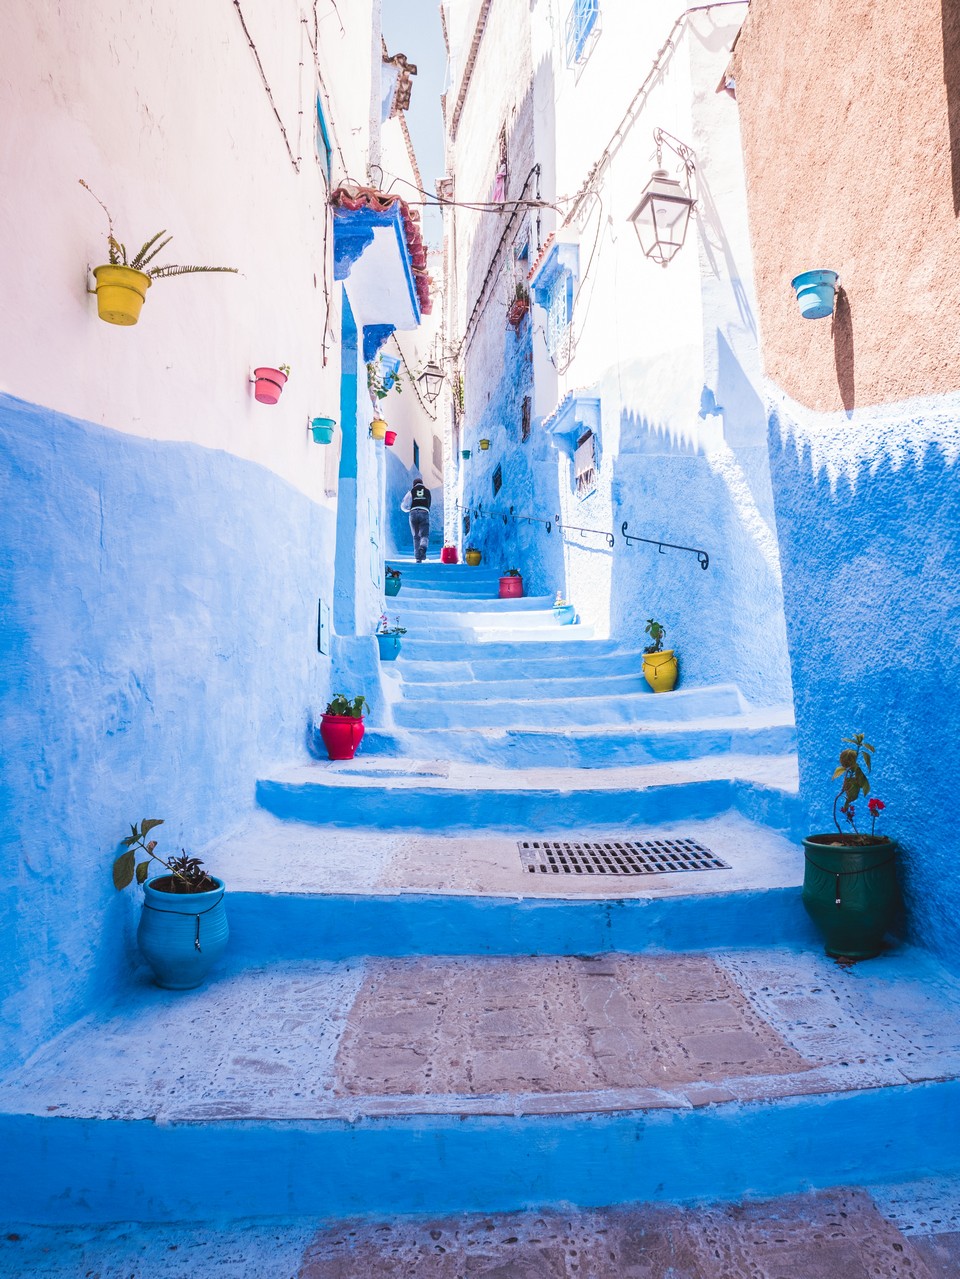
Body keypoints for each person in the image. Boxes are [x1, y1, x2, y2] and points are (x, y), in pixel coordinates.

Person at [400, 475, 431, 562]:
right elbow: (429, 504)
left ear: (414, 485)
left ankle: (418, 558)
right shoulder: (427, 491)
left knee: (416, 536)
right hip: (424, 512)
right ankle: (423, 547)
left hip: (413, 513)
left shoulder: (411, 491)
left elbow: (404, 504)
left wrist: (409, 509)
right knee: (424, 534)